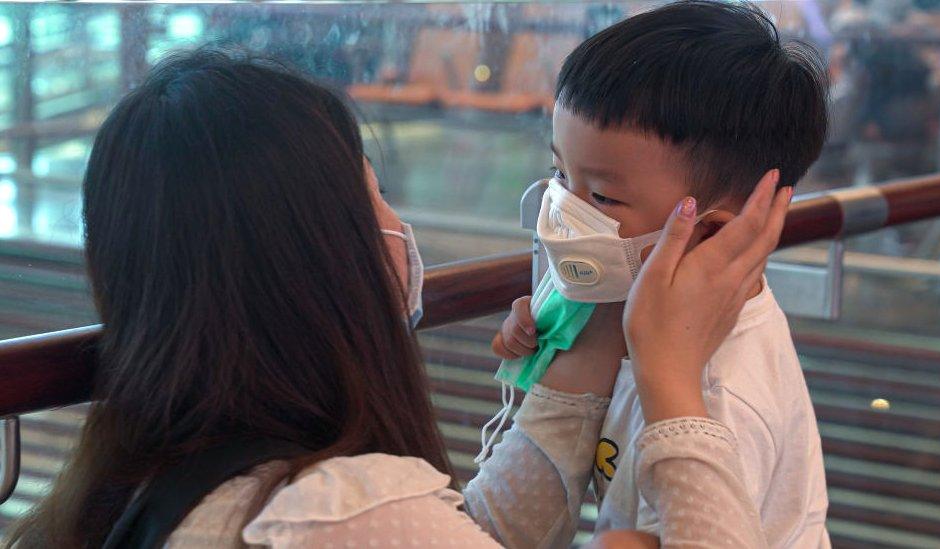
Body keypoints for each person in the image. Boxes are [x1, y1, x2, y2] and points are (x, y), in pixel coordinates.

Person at [3, 47, 788, 549]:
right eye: (372, 196)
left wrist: (583, 345)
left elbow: (476, 537)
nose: (397, 225)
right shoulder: (340, 512)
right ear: (317, 257)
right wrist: (672, 379)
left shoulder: (136, 484)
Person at [482, 1, 831, 547]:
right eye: (558, 172)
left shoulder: (721, 397)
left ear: (712, 231)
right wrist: (554, 361)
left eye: (602, 195)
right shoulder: (616, 293)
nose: (562, 210)